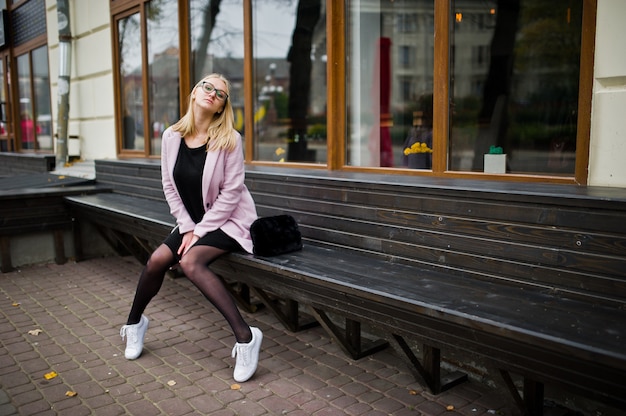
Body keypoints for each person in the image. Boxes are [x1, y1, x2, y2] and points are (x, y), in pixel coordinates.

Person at [119, 73, 262, 383]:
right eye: (207, 87)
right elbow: (169, 185)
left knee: (189, 261)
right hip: (192, 222)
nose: (212, 93)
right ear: (195, 93)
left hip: (230, 221)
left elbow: (232, 193)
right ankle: (134, 324)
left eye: (220, 93)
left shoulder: (230, 140)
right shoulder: (171, 136)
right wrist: (187, 227)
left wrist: (200, 231)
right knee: (157, 259)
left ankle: (246, 337)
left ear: (223, 106)